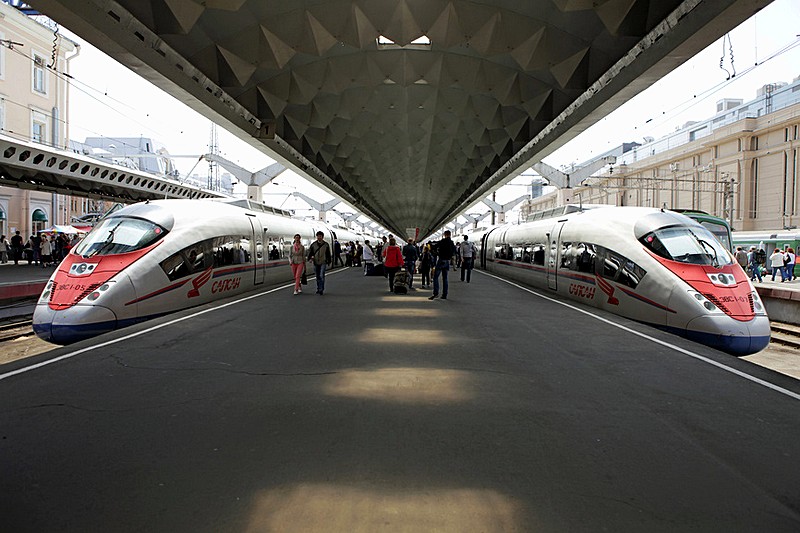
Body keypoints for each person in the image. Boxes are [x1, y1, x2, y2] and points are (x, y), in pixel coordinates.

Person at [429, 230, 457, 300]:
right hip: (447, 262)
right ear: (450, 235)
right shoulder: (451, 243)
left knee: (435, 277)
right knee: (445, 278)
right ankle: (444, 295)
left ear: (445, 234)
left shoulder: (443, 241)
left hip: (441, 260)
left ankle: (436, 293)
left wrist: (435, 250)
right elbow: (454, 252)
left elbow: (434, 247)